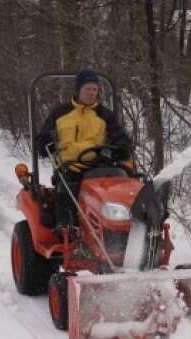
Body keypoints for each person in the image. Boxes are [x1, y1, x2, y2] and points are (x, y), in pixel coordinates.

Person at [36, 68, 132, 235]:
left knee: (128, 180)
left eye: (95, 89)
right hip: (70, 166)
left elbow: (120, 136)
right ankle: (66, 224)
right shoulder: (60, 113)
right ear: (78, 90)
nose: (91, 93)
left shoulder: (104, 115)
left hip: (98, 165)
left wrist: (122, 147)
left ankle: (128, 224)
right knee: (68, 184)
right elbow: (44, 137)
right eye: (88, 89)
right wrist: (45, 141)